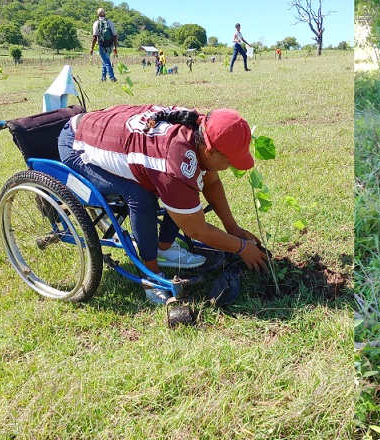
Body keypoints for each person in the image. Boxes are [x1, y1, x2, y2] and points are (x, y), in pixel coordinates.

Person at [57, 105, 270, 303]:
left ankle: (164, 248)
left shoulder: (199, 131)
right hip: (77, 144)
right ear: (210, 152)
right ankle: (151, 275)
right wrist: (241, 248)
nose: (231, 166)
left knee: (182, 192)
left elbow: (210, 182)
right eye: (229, 161)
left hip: (104, 130)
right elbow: (196, 229)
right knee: (141, 195)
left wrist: (233, 228)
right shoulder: (175, 162)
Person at [90, 8, 118, 82]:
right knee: (105, 61)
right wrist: (115, 47)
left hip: (102, 45)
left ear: (97, 15)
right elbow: (115, 35)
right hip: (110, 45)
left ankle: (112, 77)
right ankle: (103, 78)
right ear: (105, 14)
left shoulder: (96, 23)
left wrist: (91, 48)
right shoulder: (110, 22)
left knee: (106, 61)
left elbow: (94, 37)